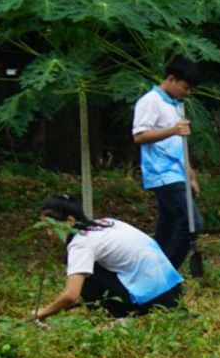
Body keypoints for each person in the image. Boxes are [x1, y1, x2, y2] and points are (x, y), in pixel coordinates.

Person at [30, 195, 184, 322]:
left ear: (70, 221)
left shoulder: (81, 243)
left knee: (84, 274)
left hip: (152, 300)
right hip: (173, 292)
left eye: (51, 228)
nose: (49, 234)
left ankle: (117, 318)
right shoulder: (106, 223)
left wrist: (42, 313)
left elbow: (71, 296)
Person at [131, 58, 201, 271]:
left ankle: (147, 273)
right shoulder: (150, 101)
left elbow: (178, 145)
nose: (187, 93)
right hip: (161, 173)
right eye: (185, 87)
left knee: (166, 229)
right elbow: (139, 136)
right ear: (171, 79)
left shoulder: (175, 105)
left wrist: (191, 176)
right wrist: (173, 130)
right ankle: (164, 274)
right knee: (192, 223)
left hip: (177, 173)